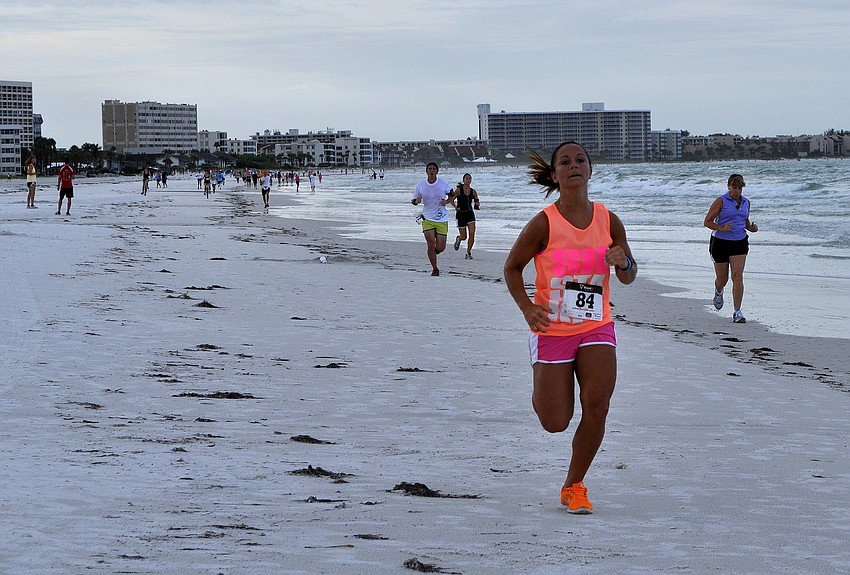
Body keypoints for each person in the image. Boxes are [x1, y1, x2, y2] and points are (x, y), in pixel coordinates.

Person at [503, 141, 637, 514]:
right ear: (555, 174)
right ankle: (542, 388)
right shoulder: (544, 223)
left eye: (580, 160)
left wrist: (624, 262)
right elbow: (512, 267)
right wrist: (527, 308)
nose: (574, 165)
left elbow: (628, 276)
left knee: (597, 405)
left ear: (590, 170)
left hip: (596, 326)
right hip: (553, 329)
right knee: (555, 421)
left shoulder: (608, 220)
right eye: (565, 161)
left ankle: (574, 485)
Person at [704, 173, 758, 323]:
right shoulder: (720, 201)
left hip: (739, 242)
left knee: (738, 276)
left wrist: (751, 228)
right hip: (720, 242)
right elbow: (707, 222)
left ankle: (737, 312)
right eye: (734, 187)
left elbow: (744, 220)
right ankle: (718, 290)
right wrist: (722, 228)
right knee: (722, 279)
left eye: (740, 188)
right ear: (729, 187)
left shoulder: (746, 202)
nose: (737, 191)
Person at [411, 162, 454, 276]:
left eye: (434, 169)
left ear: (437, 171)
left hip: (441, 218)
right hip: (427, 218)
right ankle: (435, 268)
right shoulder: (421, 185)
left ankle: (433, 253)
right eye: (430, 169)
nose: (432, 170)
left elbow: (452, 195)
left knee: (441, 247)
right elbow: (413, 200)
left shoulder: (443, 183)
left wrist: (447, 201)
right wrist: (416, 201)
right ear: (426, 171)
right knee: (431, 243)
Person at [450, 173, 481, 259]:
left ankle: (468, 253)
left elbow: (476, 200)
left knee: (472, 234)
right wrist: (455, 207)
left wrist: (477, 204)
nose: (468, 180)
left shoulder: (473, 191)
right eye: (467, 178)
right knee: (464, 237)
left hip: (470, 214)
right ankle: (459, 239)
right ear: (463, 180)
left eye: (470, 178)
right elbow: (451, 200)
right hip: (461, 214)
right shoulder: (459, 190)